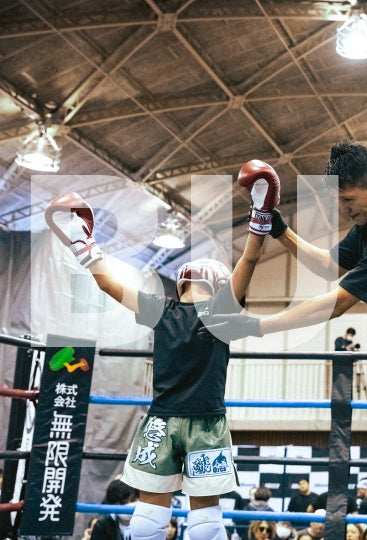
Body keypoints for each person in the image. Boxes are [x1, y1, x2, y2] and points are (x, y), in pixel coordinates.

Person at [205, 139, 367, 539]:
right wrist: (280, 229)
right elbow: (329, 265)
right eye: (339, 202)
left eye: (348, 199)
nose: (345, 210)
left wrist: (256, 326)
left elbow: (337, 302)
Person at [44, 160, 280, 540]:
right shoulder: (220, 312)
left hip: (161, 422)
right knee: (206, 520)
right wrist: (261, 213)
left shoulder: (161, 309)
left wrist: (83, 242)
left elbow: (106, 284)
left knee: (149, 516)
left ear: (182, 285)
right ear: (218, 286)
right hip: (206, 424)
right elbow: (250, 259)